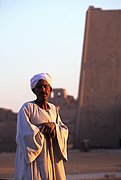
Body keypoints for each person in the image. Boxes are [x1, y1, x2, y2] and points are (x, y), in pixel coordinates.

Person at [15, 73, 69, 180]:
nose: (43, 89)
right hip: (34, 159)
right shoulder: (27, 108)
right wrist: (43, 129)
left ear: (50, 89)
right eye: (39, 87)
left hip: (51, 155)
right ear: (34, 90)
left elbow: (63, 130)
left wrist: (54, 127)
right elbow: (24, 134)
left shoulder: (53, 109)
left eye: (45, 86)